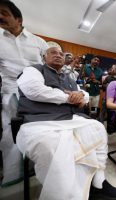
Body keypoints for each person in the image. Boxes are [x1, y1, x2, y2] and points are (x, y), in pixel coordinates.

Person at [16, 47, 116, 200]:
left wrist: (80, 95)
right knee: (56, 146)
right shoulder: (34, 70)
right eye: (53, 53)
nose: (59, 55)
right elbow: (34, 90)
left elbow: (84, 94)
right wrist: (67, 97)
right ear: (43, 57)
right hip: (40, 120)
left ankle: (98, 181)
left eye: (61, 53)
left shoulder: (69, 77)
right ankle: (73, 194)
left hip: (69, 119)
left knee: (98, 128)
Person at [0, 0, 48, 186]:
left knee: (40, 132)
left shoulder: (39, 42)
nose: (0, 17)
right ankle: (14, 175)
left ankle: (39, 168)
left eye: (4, 13)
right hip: (10, 92)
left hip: (36, 93)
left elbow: (48, 68)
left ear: (18, 18)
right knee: (10, 134)